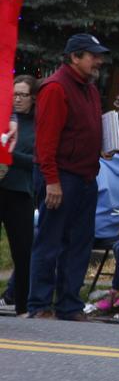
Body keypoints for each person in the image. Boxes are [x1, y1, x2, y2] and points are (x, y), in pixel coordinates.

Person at [28, 33, 109, 320]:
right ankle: (39, 304)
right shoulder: (55, 89)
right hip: (61, 177)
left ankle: (69, 303)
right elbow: (46, 143)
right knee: (50, 241)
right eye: (93, 55)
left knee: (79, 243)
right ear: (75, 57)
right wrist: (52, 181)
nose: (99, 60)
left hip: (85, 177)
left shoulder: (90, 89)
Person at [0, 75, 38, 314]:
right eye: (14, 94)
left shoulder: (37, 126)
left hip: (20, 193)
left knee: (22, 251)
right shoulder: (5, 119)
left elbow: (36, 160)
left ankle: (23, 304)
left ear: (33, 98)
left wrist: (9, 157)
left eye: (23, 95)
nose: (17, 99)